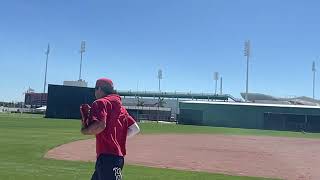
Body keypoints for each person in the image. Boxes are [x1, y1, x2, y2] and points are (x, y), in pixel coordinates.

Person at [80, 78, 140, 180]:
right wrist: (116, 139)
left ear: (99, 89)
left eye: (95, 89)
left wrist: (84, 130)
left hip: (107, 158)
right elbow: (135, 129)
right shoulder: (121, 108)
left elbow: (100, 126)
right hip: (116, 158)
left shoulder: (100, 103)